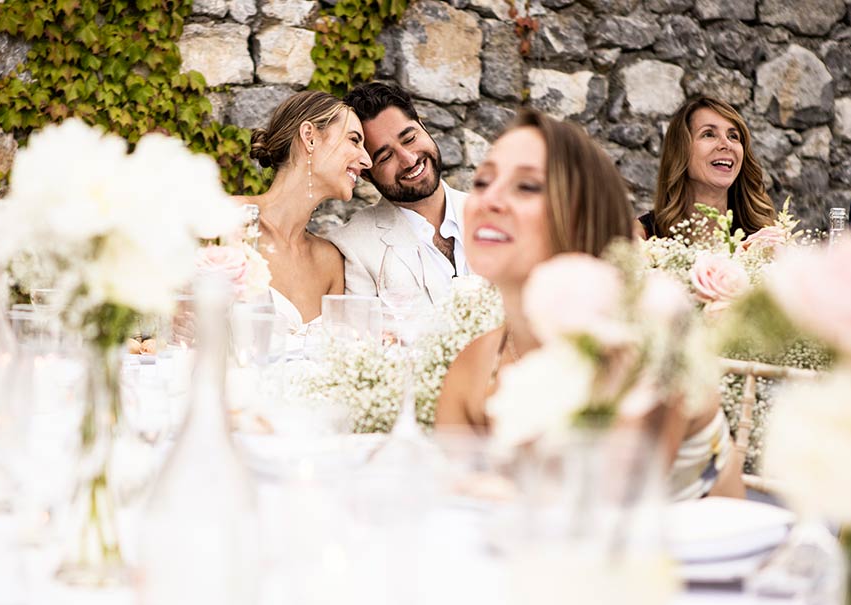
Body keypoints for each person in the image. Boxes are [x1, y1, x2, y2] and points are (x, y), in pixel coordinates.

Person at [437, 109, 742, 500]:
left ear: (584, 213)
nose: (489, 199)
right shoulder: (476, 365)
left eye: (527, 186)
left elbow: (607, 517)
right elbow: (450, 518)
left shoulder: (645, 337)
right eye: (482, 181)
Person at [242, 91, 371, 333]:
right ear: (310, 137)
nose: (367, 161)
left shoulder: (330, 261)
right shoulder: (231, 220)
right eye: (354, 140)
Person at [328, 81, 468, 302]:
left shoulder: (498, 214)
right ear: (366, 173)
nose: (409, 160)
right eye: (385, 157)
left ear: (423, 126)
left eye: (410, 138)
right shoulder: (353, 246)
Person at [638, 96, 775, 240]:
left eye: (733, 136)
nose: (726, 144)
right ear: (680, 151)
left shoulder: (765, 238)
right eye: (708, 134)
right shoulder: (641, 237)